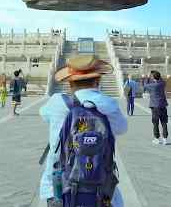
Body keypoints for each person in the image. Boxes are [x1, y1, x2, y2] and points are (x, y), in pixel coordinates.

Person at [39, 55, 127, 207]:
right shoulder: (108, 104)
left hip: (58, 188)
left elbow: (44, 115)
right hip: (100, 188)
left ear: (70, 82)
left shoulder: (57, 101)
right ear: (97, 80)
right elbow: (122, 128)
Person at [143, 70, 169, 145]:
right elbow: (161, 80)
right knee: (164, 122)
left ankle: (157, 138)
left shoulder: (151, 85)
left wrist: (147, 77)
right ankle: (165, 138)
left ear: (153, 78)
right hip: (163, 105)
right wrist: (157, 75)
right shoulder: (162, 84)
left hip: (154, 106)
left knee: (155, 123)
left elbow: (145, 85)